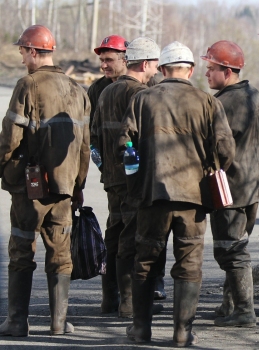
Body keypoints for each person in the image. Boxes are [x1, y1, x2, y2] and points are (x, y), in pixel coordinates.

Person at [119, 41, 235, 346]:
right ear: (191, 70)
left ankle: (141, 329)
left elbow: (127, 148)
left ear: (161, 69)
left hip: (152, 196)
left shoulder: (142, 100)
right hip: (193, 201)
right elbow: (225, 148)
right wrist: (212, 169)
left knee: (145, 262)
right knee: (189, 265)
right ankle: (183, 332)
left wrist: (135, 186)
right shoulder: (208, 102)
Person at [0, 25, 90, 336]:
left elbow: (11, 136)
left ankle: (16, 321)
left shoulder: (27, 85)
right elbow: (83, 147)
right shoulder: (78, 90)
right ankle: (58, 323)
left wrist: (3, 166)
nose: (21, 55)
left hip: (30, 186)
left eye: (23, 50)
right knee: (60, 254)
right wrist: (77, 185)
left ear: (34, 52)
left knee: (22, 249)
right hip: (64, 188)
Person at [90, 37, 162, 318]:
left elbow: (94, 138)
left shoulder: (105, 93)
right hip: (133, 180)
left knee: (115, 233)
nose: (104, 65)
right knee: (131, 238)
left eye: (110, 59)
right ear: (144, 63)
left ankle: (111, 300)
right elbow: (145, 140)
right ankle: (129, 304)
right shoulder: (140, 93)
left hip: (113, 179)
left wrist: (105, 168)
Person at [201, 40, 259, 327]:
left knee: (230, 249)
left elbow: (215, 147)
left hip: (230, 188)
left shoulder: (224, 103)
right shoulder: (257, 97)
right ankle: (230, 304)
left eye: (211, 69)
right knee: (237, 244)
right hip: (252, 187)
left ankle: (244, 311)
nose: (206, 74)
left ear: (227, 72)